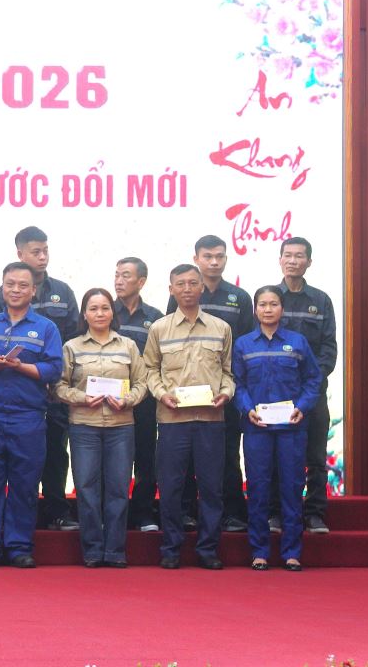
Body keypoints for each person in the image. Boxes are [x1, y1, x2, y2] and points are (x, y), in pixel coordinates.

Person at [0, 262, 64, 568]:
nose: (15, 290)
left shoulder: (47, 328)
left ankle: (19, 546)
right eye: (10, 284)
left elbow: (54, 369)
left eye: (23, 285)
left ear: (33, 290)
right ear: (2, 287)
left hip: (28, 416)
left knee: (25, 484)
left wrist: (19, 367)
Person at [0, 226, 80, 531]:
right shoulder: (0, 294)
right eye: (35, 251)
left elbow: (73, 340)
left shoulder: (63, 291)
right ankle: (5, 518)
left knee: (55, 450)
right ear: (20, 253)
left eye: (45, 250)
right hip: (17, 392)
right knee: (9, 460)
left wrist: (57, 380)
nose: (42, 257)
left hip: (54, 387)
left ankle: (56, 511)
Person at [146, 263, 235, 570]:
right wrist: (161, 394)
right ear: (171, 289)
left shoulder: (221, 328)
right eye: (180, 284)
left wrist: (226, 393)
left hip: (211, 420)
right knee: (170, 487)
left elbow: (228, 372)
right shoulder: (159, 328)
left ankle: (208, 549)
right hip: (172, 420)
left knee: (211, 487)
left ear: (201, 287)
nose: (187, 289)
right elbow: (149, 370)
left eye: (192, 283)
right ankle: (171, 549)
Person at [165, 235, 253, 533]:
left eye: (219, 256)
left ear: (226, 258)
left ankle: (232, 513)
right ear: (196, 259)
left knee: (228, 454)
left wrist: (229, 388)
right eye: (207, 256)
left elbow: (243, 346)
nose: (214, 262)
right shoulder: (183, 293)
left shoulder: (239, 297)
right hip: (184, 392)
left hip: (223, 392)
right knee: (187, 458)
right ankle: (188, 511)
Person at [56, 287, 149, 568]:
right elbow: (58, 386)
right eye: (93, 308)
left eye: (105, 308)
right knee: (86, 488)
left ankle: (116, 550)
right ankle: (93, 550)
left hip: (121, 426)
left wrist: (128, 399)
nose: (99, 313)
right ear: (84, 314)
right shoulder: (72, 347)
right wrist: (81, 397)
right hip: (84, 426)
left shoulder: (128, 346)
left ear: (112, 312)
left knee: (119, 488)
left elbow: (142, 382)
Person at [234, 285, 321, 571]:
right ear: (255, 309)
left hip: (291, 427)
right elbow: (237, 384)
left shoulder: (297, 342)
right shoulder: (244, 344)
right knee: (258, 488)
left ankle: (292, 552)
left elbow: (313, 380)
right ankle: (259, 552)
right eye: (262, 304)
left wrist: (302, 407)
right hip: (256, 427)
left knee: (292, 488)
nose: (268, 309)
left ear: (282, 308)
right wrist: (247, 409)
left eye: (273, 304)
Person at [275, 237, 337, 534]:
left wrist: (312, 384)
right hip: (277, 392)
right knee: (277, 455)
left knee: (315, 456)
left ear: (309, 262)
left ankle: (314, 514)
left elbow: (328, 348)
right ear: (280, 260)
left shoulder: (321, 300)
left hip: (312, 393)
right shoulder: (270, 297)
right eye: (288, 255)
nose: (293, 261)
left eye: (299, 256)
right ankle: (276, 513)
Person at [113, 256, 165, 534]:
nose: (119, 281)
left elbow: (160, 359)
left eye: (126, 275)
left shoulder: (155, 317)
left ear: (141, 281)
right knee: (113, 461)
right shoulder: (106, 311)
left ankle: (144, 512)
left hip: (145, 399)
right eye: (117, 275)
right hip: (110, 399)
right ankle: (114, 513)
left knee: (146, 457)